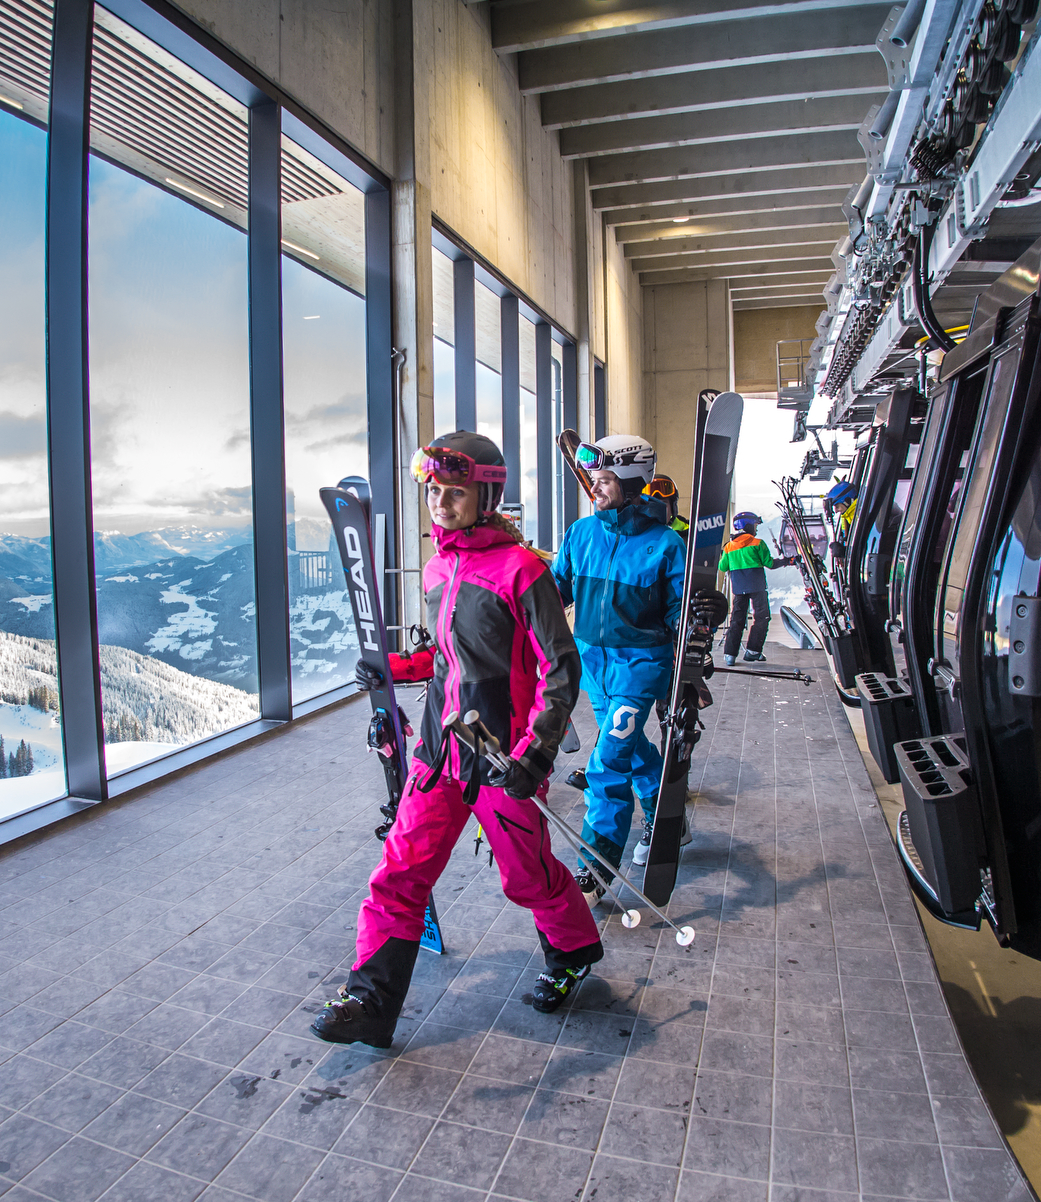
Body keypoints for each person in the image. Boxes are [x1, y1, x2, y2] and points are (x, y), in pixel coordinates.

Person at [311, 431, 597, 1049]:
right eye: (433, 491)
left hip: (500, 757)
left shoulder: (523, 570)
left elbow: (560, 668)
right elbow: (449, 656)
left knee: (526, 877)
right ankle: (369, 1001)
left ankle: (573, 953)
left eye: (455, 492)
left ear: (486, 496)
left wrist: (535, 753)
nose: (440, 503)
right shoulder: (440, 566)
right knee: (398, 873)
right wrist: (396, 667)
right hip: (439, 752)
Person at [552, 434, 727, 886]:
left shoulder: (665, 544)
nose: (594, 487)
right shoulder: (580, 533)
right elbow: (555, 592)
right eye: (594, 478)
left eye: (605, 480)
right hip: (594, 666)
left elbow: (680, 612)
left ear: (631, 484)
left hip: (640, 666)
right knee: (631, 750)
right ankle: (667, 819)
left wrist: (707, 612)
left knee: (607, 763)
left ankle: (597, 866)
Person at [718, 510, 782, 664]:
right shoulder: (758, 543)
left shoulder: (729, 547)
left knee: (736, 620)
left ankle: (730, 655)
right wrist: (788, 561)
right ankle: (753, 651)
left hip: (739, 589)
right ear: (747, 526)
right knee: (762, 617)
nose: (756, 529)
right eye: (755, 526)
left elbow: (722, 567)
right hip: (757, 587)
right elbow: (770, 564)